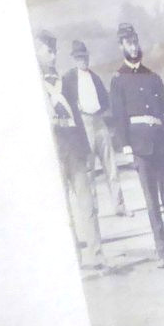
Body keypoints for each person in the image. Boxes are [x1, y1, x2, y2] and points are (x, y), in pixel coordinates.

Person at [110, 23, 164, 269]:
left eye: (135, 42)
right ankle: (163, 253)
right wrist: (126, 146)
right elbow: (118, 115)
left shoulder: (152, 77)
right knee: (152, 203)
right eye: (128, 43)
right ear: (121, 46)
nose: (134, 46)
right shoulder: (118, 80)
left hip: (162, 144)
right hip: (140, 146)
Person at [40, 31, 105, 268]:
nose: (53, 56)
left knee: (87, 205)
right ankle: (73, 260)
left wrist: (86, 150)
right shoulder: (33, 86)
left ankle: (97, 255)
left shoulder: (65, 82)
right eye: (48, 51)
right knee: (63, 209)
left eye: (54, 51)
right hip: (54, 153)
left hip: (74, 150)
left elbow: (76, 116)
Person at [62, 39, 125, 218]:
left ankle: (119, 205)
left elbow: (105, 99)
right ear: (74, 59)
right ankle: (93, 209)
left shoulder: (95, 77)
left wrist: (100, 111)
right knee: (89, 169)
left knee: (111, 165)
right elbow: (65, 103)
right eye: (79, 57)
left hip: (99, 121)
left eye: (85, 57)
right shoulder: (68, 78)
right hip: (84, 124)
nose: (83, 60)